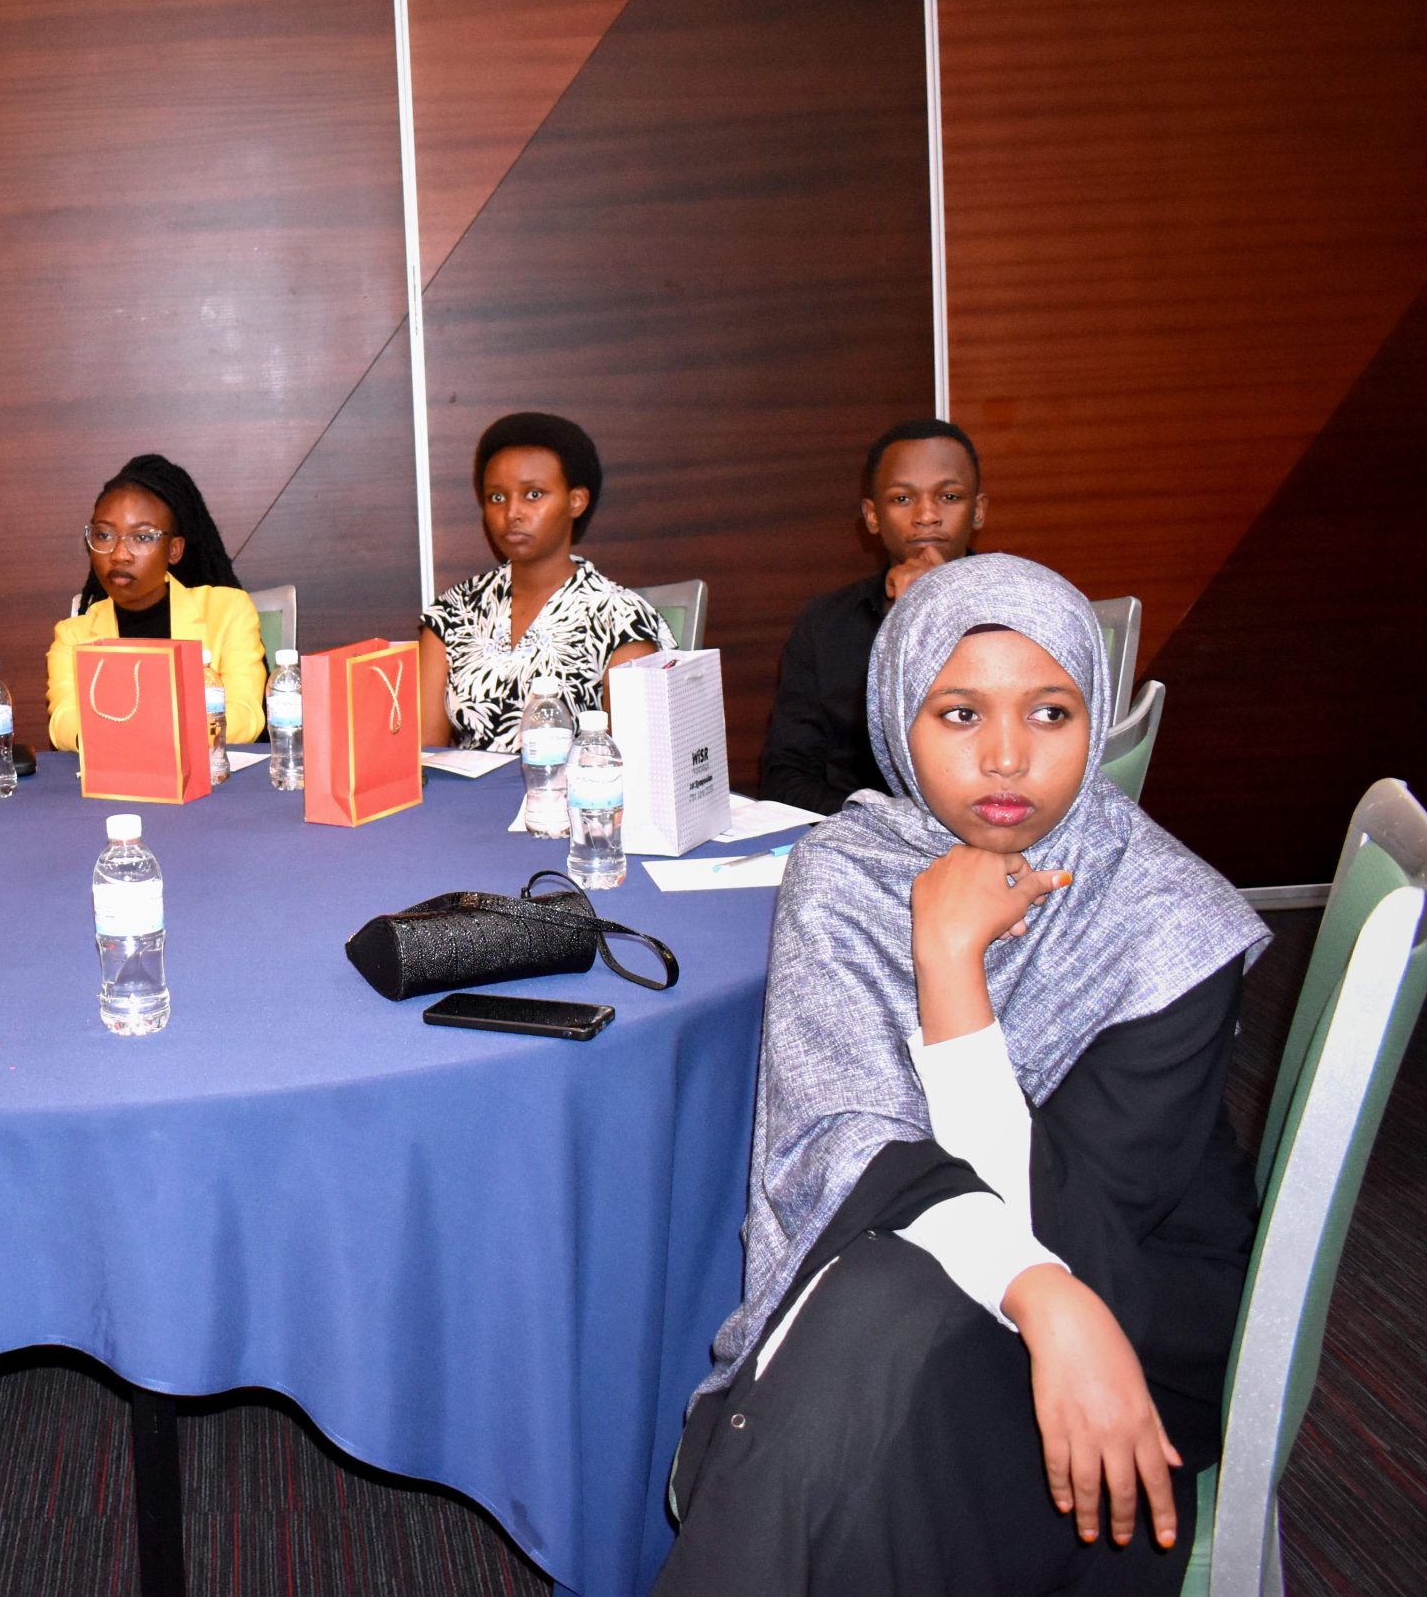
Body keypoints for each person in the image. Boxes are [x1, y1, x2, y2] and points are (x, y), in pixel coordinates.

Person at [658, 555, 1267, 1597]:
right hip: (987, 1295)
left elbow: (1074, 1230)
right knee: (873, 1329)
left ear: (1097, 721)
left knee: (860, 1362)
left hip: (1125, 1303)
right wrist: (1037, 1292)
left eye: (1050, 713)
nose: (1006, 756)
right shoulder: (847, 870)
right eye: (958, 714)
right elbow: (839, 1139)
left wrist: (950, 973)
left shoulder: (1166, 922)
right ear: (899, 718)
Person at [760, 417, 987, 813]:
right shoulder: (824, 624)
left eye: (949, 496)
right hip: (856, 831)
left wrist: (936, 612)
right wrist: (881, 828)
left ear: (979, 510)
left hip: (990, 833)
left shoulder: (1028, 614)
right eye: (903, 499)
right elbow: (785, 778)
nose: (927, 515)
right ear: (872, 516)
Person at [417, 412, 668, 748]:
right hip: (463, 786)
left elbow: (634, 759)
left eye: (533, 494)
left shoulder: (621, 619)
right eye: (497, 497)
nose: (512, 513)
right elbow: (426, 756)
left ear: (576, 501)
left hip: (575, 784)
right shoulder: (453, 612)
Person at [44, 454, 267, 753]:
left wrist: (150, 737)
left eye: (142, 537)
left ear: (174, 550)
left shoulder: (227, 610)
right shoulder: (73, 635)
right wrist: (131, 740)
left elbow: (244, 715)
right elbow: (63, 722)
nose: (119, 554)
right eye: (104, 535)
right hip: (116, 777)